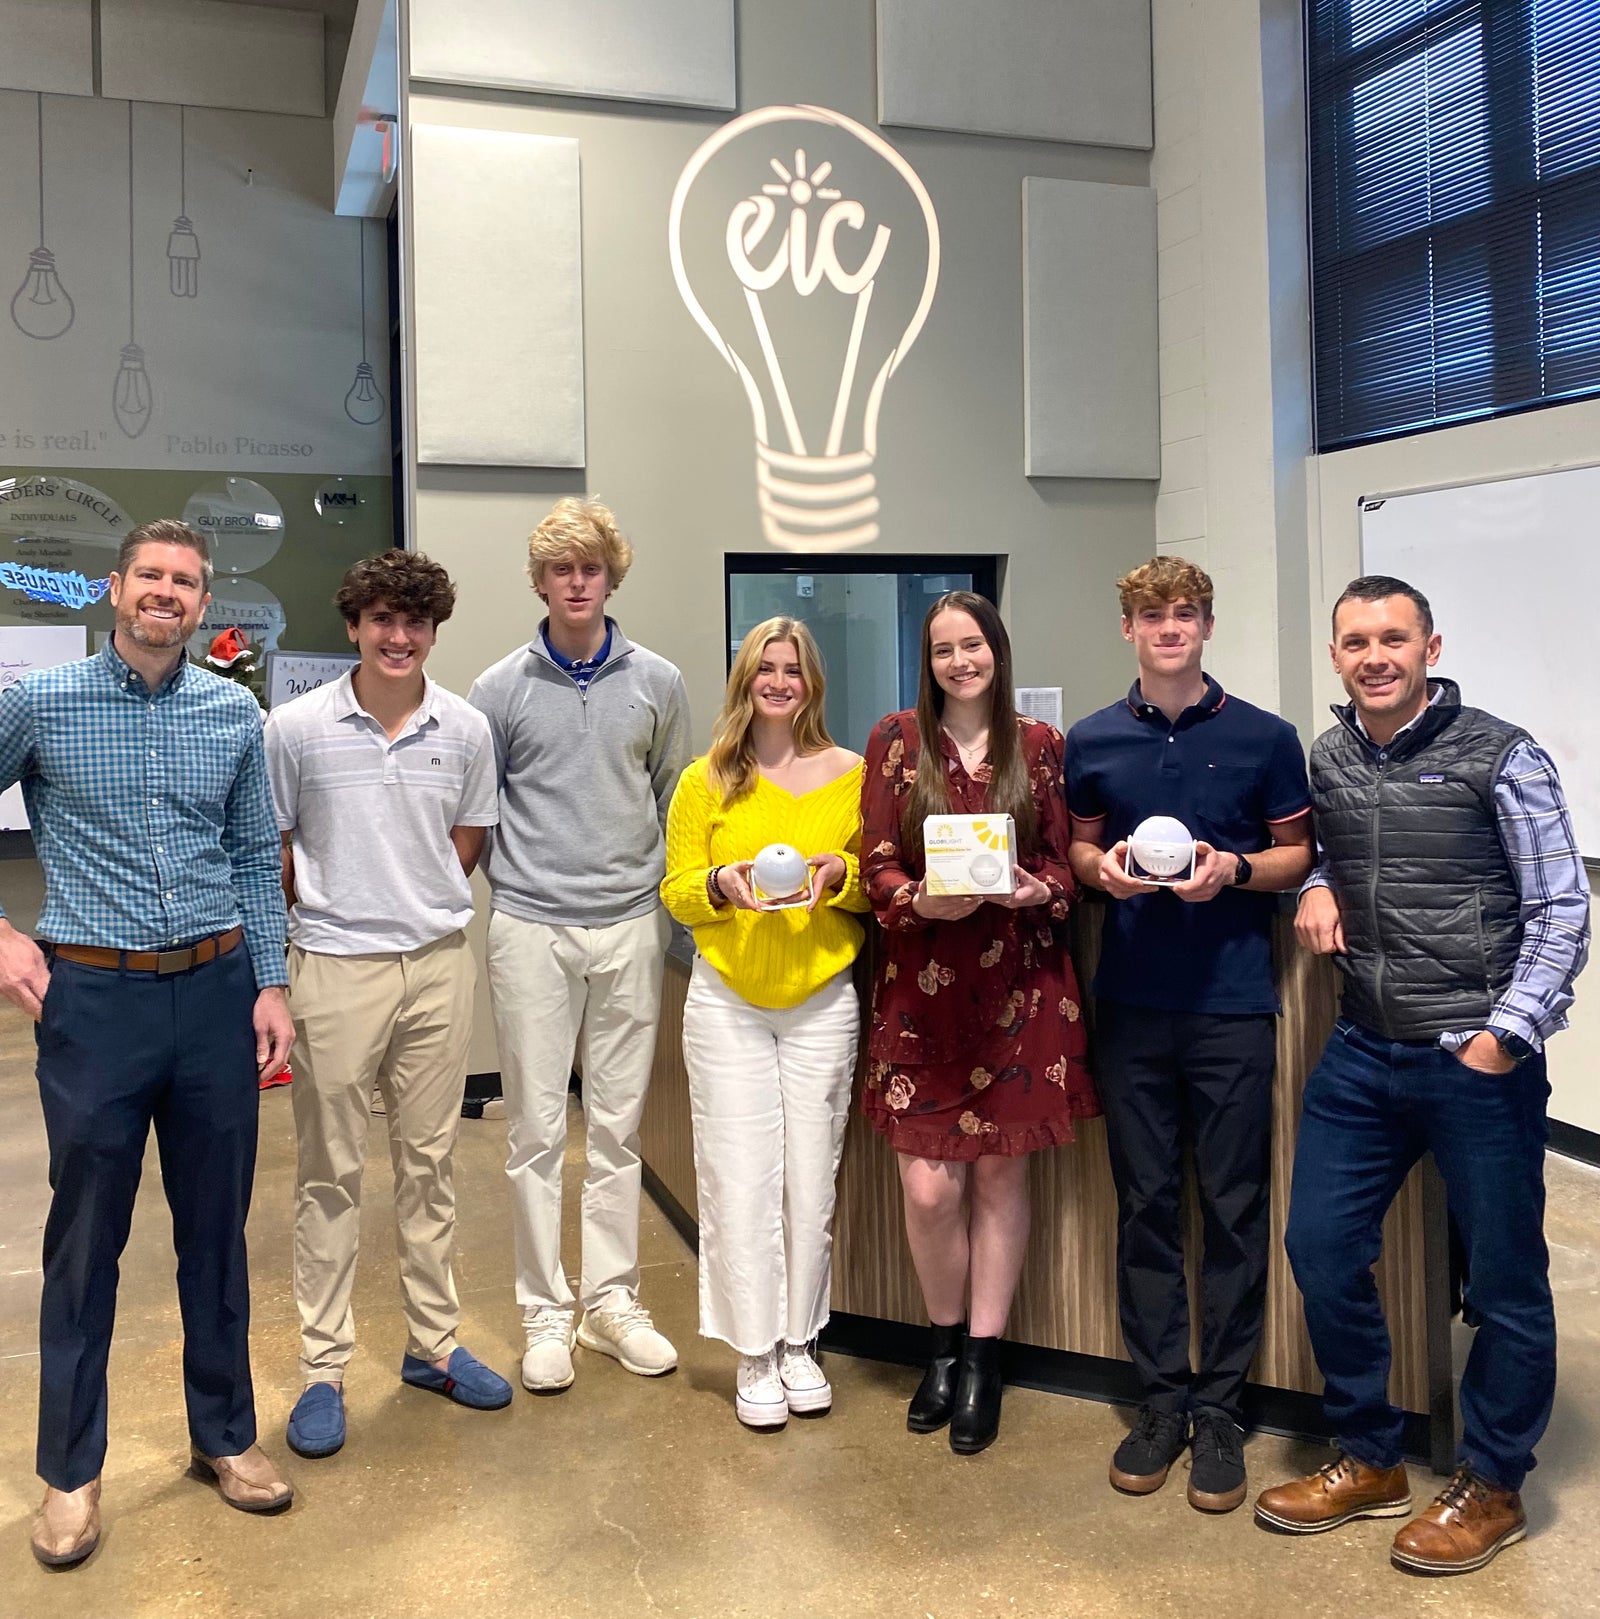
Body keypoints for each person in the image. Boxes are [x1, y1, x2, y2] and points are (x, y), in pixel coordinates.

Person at [1255, 576, 1590, 1576]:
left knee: (1502, 1281)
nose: (1374, 655)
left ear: (1428, 645)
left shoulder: (1501, 752)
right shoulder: (1332, 753)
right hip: (1362, 1049)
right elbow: (1338, 854)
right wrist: (1314, 881)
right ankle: (1367, 1453)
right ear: (1334, 655)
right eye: (1354, 640)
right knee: (1317, 1245)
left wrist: (1505, 1034)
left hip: (1471, 1058)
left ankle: (1492, 1480)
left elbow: (1561, 907)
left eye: (1392, 637)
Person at [0, 518, 296, 1569]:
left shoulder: (231, 710)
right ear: (116, 590)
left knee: (216, 1231)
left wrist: (271, 981)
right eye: (151, 576)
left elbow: (256, 856)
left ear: (203, 603)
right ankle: (70, 1472)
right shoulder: (40, 702)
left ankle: (227, 1435)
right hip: (96, 1002)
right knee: (85, 1245)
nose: (166, 592)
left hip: (216, 992)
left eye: (185, 580)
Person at [1065, 556, 1313, 1513]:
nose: (1169, 628)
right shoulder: (1094, 738)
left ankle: (1222, 1409)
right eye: (1152, 615)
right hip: (1129, 1003)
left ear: (1207, 624)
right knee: (1147, 1204)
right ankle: (1161, 1400)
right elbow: (1082, 846)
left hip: (1232, 1004)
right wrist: (1105, 872)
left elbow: (1297, 854)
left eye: (1185, 614)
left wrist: (1234, 871)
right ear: (1127, 628)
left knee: (1237, 1207)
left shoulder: (1265, 736)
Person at [265, 550, 512, 1459]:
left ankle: (432, 1345)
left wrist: (415, 900)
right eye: (380, 619)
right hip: (335, 965)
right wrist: (345, 911)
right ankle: (324, 1366)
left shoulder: (467, 727)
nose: (397, 636)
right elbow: (277, 844)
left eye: (414, 622)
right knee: (329, 1172)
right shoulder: (293, 727)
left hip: (440, 965)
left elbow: (471, 833)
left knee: (431, 1161)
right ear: (355, 626)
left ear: (433, 630)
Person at [860, 590, 1097, 1455]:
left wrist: (1038, 890)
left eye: (974, 645)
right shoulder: (895, 740)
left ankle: (984, 1358)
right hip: (922, 991)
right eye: (944, 650)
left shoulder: (1040, 746)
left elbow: (1059, 866)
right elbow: (874, 862)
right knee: (928, 1186)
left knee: (999, 1180)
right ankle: (942, 1342)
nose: (961, 662)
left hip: (1019, 989)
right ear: (927, 663)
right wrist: (920, 896)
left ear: (999, 648)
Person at [469, 498, 690, 1393]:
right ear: (539, 581)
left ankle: (611, 1301)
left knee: (618, 1126)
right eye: (559, 569)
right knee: (531, 1130)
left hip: (631, 921)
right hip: (531, 924)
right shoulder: (500, 687)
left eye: (590, 568)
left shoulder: (659, 681)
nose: (575, 582)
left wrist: (673, 923)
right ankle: (543, 1311)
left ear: (610, 576)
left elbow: (677, 798)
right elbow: (477, 810)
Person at [660, 618, 868, 1429]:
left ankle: (799, 1342)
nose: (779, 682)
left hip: (821, 997)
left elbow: (871, 880)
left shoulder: (851, 775)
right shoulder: (703, 780)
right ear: (744, 680)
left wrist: (840, 873)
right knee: (739, 1176)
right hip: (729, 999)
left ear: (812, 682)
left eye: (793, 669)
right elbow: (675, 888)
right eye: (764, 669)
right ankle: (753, 1349)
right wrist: (719, 881)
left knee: (811, 1180)